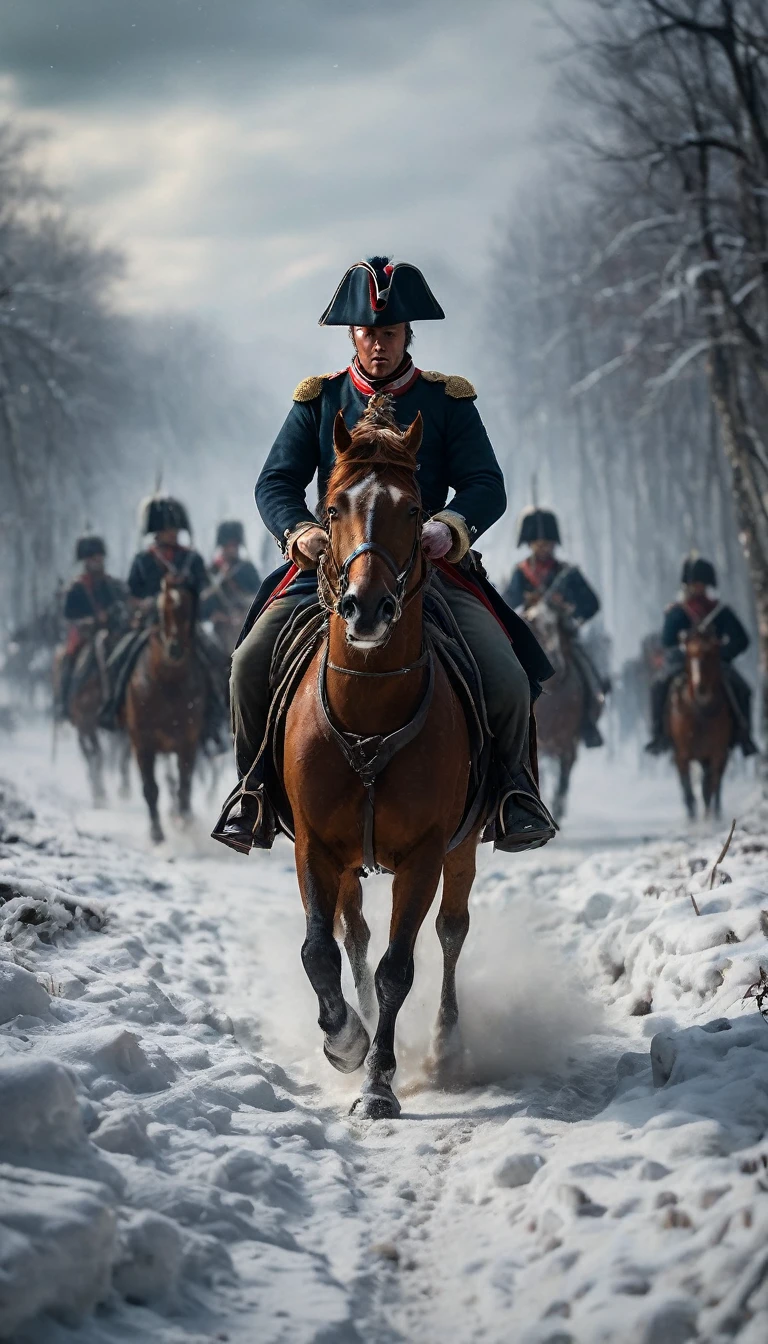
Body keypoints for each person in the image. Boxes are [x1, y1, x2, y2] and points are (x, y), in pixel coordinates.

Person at [214, 254, 556, 854]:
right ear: (353, 334)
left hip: (430, 570)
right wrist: (299, 532)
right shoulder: (318, 402)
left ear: (407, 336)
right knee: (247, 665)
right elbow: (275, 483)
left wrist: (450, 526)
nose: (378, 345)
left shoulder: (447, 402)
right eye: (369, 333)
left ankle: (512, 794)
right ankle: (255, 793)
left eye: (390, 334)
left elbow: (486, 484)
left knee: (506, 675)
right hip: (327, 570)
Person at [99, 496, 228, 747]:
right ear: (156, 531)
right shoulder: (143, 561)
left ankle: (216, 720)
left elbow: (203, 593)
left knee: (218, 662)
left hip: (187, 627)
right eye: (168, 528)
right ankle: (114, 708)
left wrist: (189, 596)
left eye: (175, 528)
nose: (173, 533)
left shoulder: (192, 560)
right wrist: (150, 603)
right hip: (152, 626)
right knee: (119, 658)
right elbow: (132, 596)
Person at [504, 507, 607, 747]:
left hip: (563, 638)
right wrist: (527, 611)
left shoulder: (567, 573)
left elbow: (591, 604)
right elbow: (507, 604)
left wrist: (571, 613)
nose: (543, 547)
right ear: (529, 544)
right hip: (529, 638)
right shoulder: (521, 574)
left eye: (547, 543)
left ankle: (588, 723)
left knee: (589, 674)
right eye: (538, 543)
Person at [646, 554, 758, 756]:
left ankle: (744, 735)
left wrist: (720, 654)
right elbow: (667, 642)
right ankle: (658, 735)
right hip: (683, 665)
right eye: (694, 583)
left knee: (743, 689)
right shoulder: (678, 612)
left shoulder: (720, 611)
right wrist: (686, 651)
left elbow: (742, 640)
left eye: (701, 583)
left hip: (715, 665)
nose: (697, 588)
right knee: (658, 686)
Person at [54, 535, 127, 721]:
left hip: (114, 633)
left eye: (99, 557)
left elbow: (124, 607)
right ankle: (64, 703)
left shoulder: (114, 585)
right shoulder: (76, 589)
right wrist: (92, 621)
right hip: (87, 636)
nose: (97, 562)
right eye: (93, 558)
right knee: (67, 662)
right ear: (85, 561)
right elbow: (69, 617)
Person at [200, 521, 261, 652]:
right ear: (222, 546)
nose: (232, 549)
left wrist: (243, 613)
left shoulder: (247, 569)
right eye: (229, 546)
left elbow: (259, 598)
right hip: (219, 630)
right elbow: (203, 606)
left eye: (235, 545)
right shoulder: (212, 571)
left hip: (244, 625)